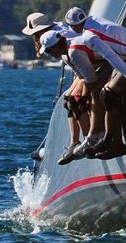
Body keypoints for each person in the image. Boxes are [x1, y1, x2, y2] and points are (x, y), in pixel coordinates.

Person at [63, 7, 126, 159]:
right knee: (103, 92)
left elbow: (110, 56)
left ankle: (112, 142)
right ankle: (108, 139)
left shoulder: (89, 36)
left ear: (73, 26)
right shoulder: (96, 21)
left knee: (107, 95)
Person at [22, 12, 86, 162]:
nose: (35, 38)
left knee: (73, 99)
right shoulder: (54, 35)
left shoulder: (58, 38)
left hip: (92, 68)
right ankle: (75, 142)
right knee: (68, 98)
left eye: (35, 34)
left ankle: (89, 138)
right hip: (82, 70)